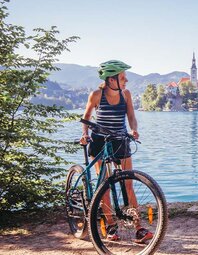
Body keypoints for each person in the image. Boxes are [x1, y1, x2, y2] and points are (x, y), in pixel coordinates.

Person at [80, 60, 152, 243]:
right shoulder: (96, 95)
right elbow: (86, 117)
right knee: (104, 185)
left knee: (128, 184)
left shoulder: (126, 94)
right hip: (99, 142)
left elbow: (131, 117)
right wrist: (85, 134)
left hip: (121, 140)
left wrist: (134, 130)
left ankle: (138, 228)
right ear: (111, 80)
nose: (126, 80)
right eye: (122, 77)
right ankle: (111, 227)